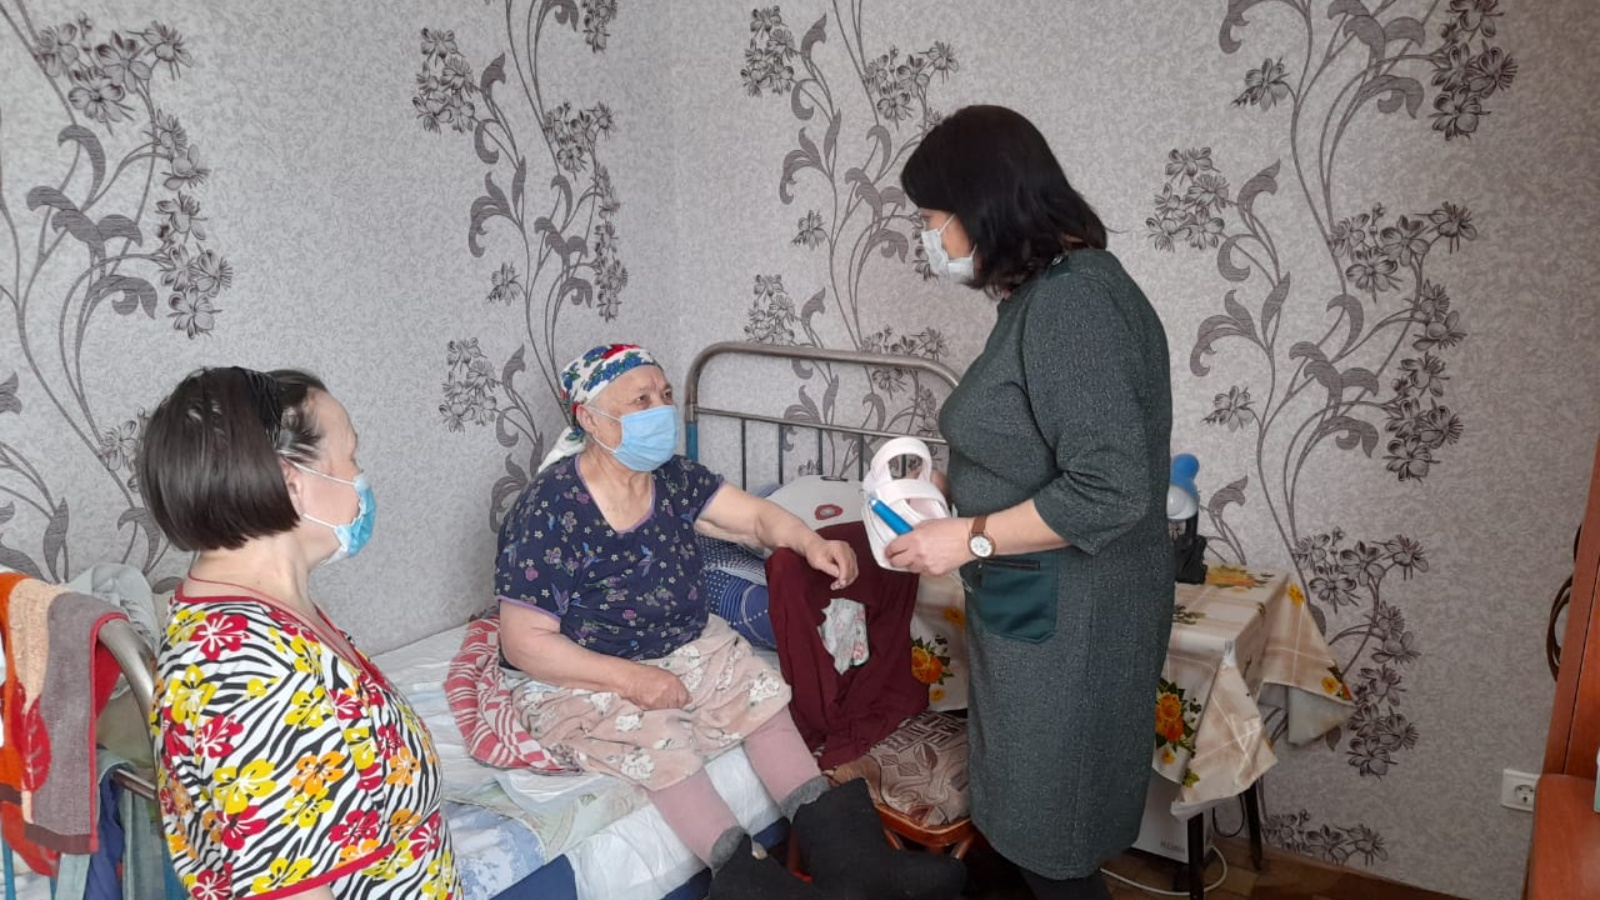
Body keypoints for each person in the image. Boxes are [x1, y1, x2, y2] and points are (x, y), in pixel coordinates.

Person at [495, 343, 965, 900]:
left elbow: (756, 518)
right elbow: (524, 641)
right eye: (640, 399)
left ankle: (859, 865)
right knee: (658, 739)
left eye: (665, 394)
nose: (661, 409)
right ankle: (747, 880)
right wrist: (634, 680)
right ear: (589, 418)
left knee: (762, 698)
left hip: (686, 642)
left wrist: (810, 543)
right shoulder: (551, 508)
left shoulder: (672, 477)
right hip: (588, 669)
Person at [887, 105, 1176, 900]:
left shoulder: (1072, 306)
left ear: (981, 206)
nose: (931, 238)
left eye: (933, 219)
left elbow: (1110, 487)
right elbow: (1039, 442)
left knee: (1054, 832)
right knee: (1027, 815)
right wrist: (955, 488)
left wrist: (968, 537)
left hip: (1071, 616)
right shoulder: (1047, 296)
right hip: (1033, 603)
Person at [140, 367, 459, 899]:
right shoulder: (240, 669)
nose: (360, 477)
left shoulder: (274, 610)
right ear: (291, 482)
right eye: (351, 457)